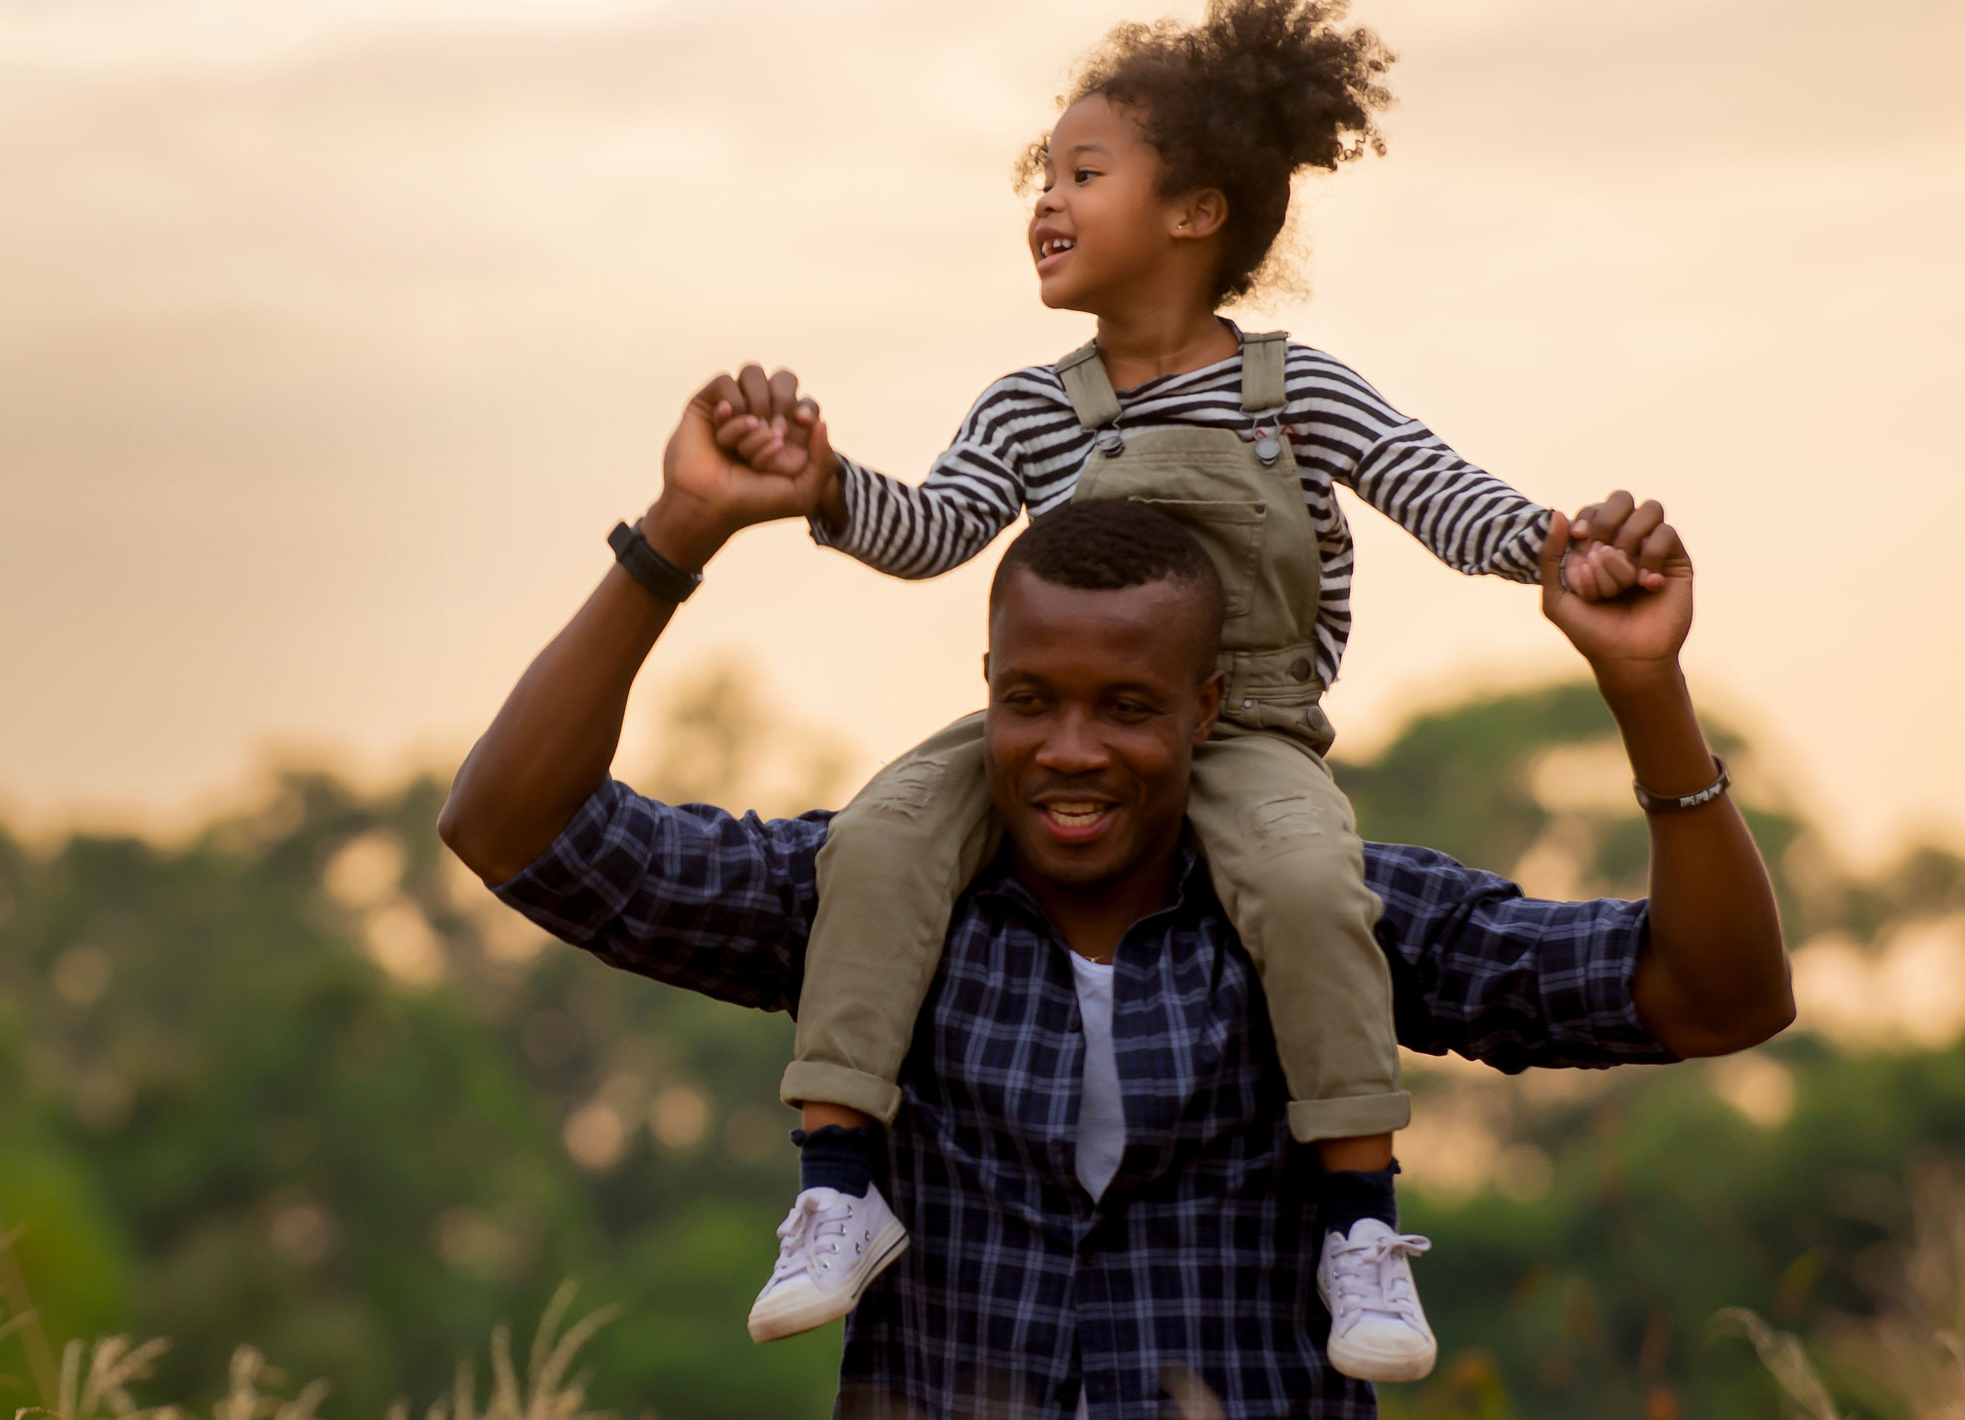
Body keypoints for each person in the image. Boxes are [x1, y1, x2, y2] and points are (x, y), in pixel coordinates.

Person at [683, 0, 1660, 1375]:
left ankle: (1360, 1230)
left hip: (1245, 730)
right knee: (880, 840)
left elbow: (1441, 493)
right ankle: (838, 1187)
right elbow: (935, 534)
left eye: (1084, 175)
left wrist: (1563, 546)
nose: (1047, 201)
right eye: (1042, 176)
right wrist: (826, 488)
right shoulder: (1028, 409)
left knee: (1319, 891)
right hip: (1057, 729)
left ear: (1197, 208)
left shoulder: (1290, 391)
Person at [434, 441, 1789, 1415]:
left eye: (1126, 709)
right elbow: (513, 832)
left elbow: (1715, 998)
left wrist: (1646, 689)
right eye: (1032, 701)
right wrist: (674, 538)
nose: (1070, 751)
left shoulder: (1329, 917)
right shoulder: (870, 897)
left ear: (1208, 710)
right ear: (986, 690)